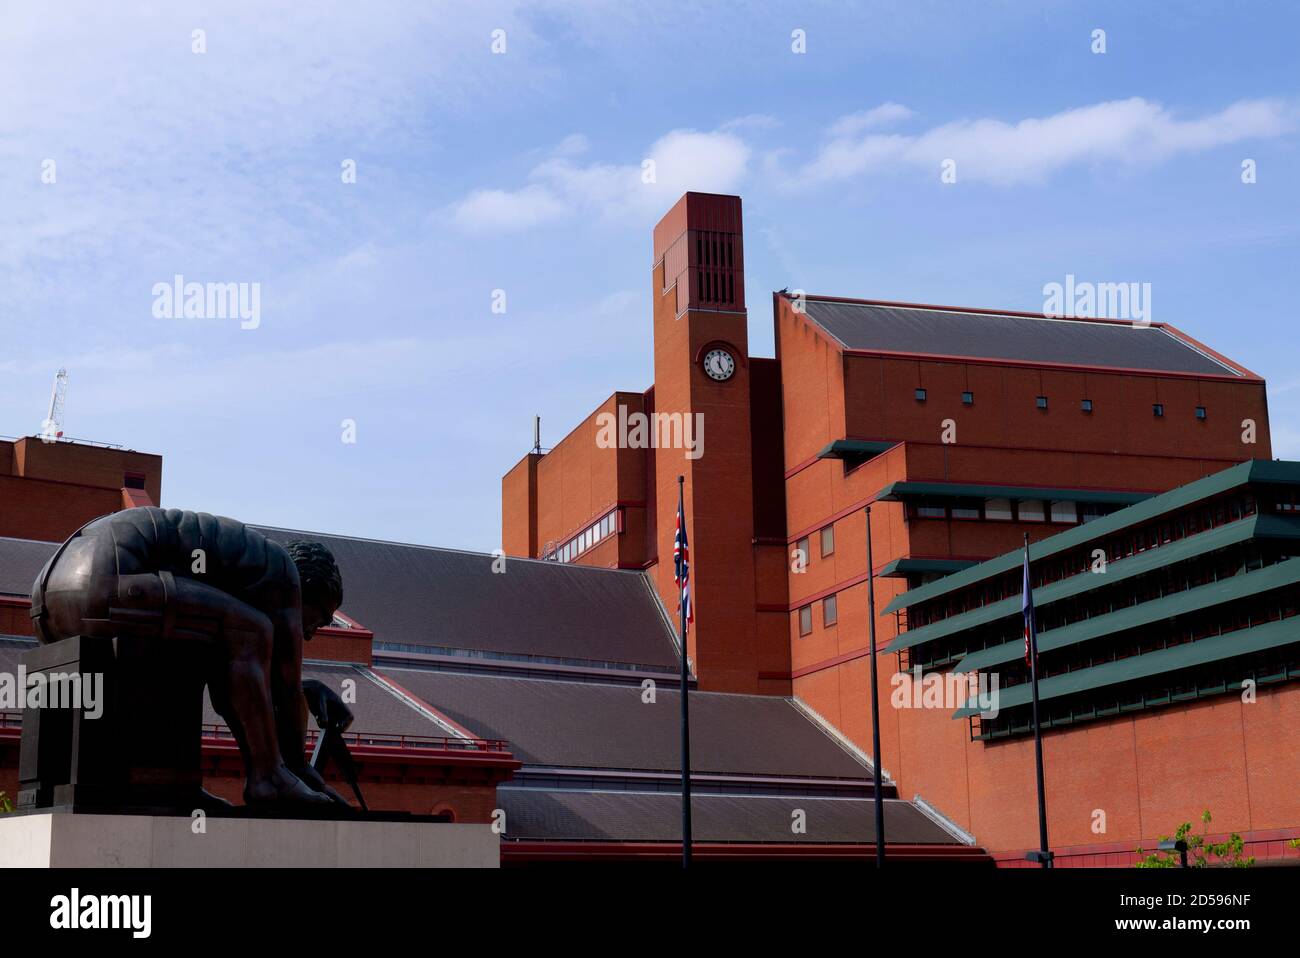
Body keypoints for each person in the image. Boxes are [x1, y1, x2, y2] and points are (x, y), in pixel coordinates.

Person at [31, 506, 344, 806]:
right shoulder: (284, 572)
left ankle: (174, 785)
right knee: (251, 631)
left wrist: (306, 691)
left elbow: (250, 677)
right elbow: (285, 684)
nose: (310, 633)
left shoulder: (246, 567)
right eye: (320, 618)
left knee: (206, 641)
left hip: (51, 595)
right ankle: (269, 780)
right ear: (307, 590)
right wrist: (299, 769)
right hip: (101, 581)